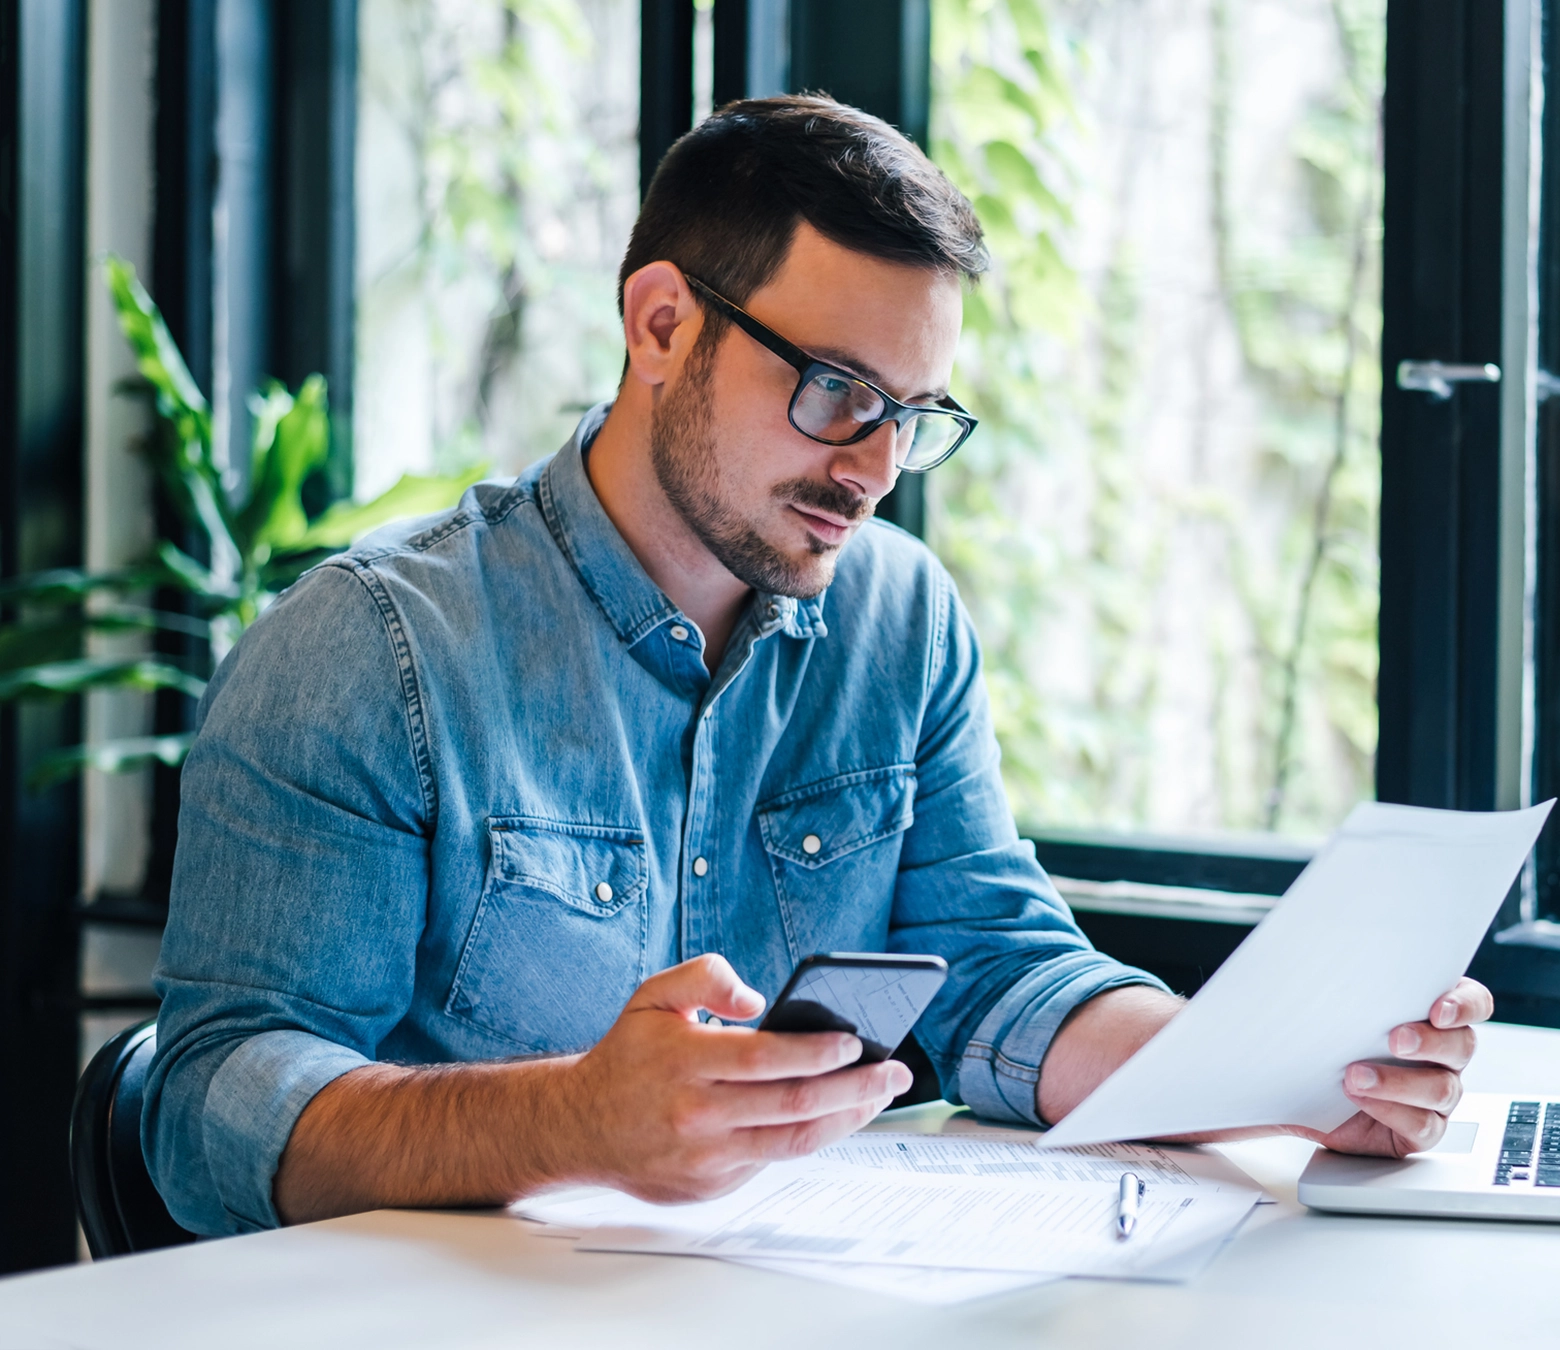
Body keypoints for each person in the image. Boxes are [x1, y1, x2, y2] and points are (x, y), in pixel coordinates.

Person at [143, 95, 1491, 1235]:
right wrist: (569, 1120)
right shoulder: (374, 648)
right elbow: (211, 1107)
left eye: (912, 416)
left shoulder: (899, 622)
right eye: (837, 390)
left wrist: (1281, 1070)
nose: (875, 470)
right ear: (663, 324)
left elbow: (995, 962)